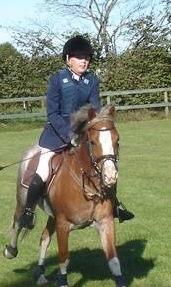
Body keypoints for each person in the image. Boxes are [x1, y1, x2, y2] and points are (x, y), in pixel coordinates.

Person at [17, 35, 135, 228]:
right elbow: (53, 113)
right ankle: (28, 212)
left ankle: (114, 206)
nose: (84, 60)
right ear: (67, 59)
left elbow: (94, 112)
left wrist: (89, 132)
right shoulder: (57, 79)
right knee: (42, 170)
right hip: (55, 136)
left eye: (87, 57)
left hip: (82, 137)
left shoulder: (92, 81)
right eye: (79, 57)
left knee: (106, 165)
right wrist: (68, 135)